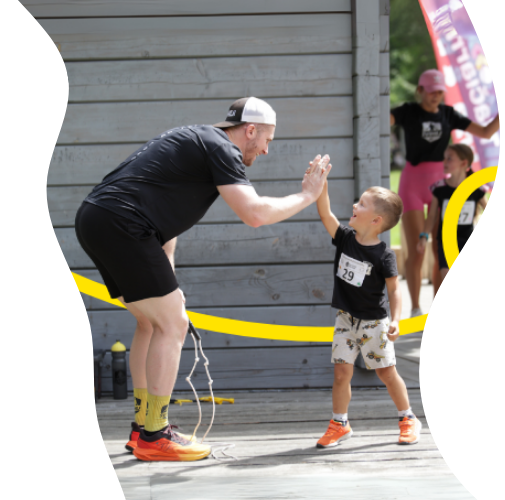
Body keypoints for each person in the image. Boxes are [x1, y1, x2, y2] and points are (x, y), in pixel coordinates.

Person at [75, 96, 332, 462]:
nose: (266, 150)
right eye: (267, 140)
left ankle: (142, 427)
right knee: (172, 325)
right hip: (122, 223)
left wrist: (169, 280)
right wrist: (307, 195)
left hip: (98, 218)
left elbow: (163, 212)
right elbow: (255, 214)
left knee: (151, 323)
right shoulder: (222, 148)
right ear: (250, 130)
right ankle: (155, 436)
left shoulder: (196, 138)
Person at [314, 180, 422, 447]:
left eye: (361, 204)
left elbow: (394, 290)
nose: (354, 205)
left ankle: (408, 418)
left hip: (374, 323)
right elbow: (325, 214)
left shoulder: (384, 255)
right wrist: (321, 185)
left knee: (386, 373)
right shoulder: (345, 238)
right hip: (345, 319)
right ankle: (339, 424)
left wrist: (396, 320)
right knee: (341, 374)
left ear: (376, 220)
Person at [390, 69, 499, 317]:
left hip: (441, 184)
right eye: (431, 92)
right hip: (412, 183)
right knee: (417, 250)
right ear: (420, 91)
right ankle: (415, 308)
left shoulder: (448, 114)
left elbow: (485, 132)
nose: (436, 96)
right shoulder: (408, 111)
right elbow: (380, 119)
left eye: (440, 92)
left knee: (440, 250)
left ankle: (438, 309)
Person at [417, 144, 487, 283]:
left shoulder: (475, 188)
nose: (444, 162)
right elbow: (432, 216)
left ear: (464, 163)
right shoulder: (439, 188)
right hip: (446, 241)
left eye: (449, 158)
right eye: (444, 158)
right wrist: (424, 236)